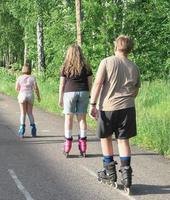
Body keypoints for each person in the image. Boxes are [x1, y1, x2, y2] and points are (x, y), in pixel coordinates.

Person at [89, 35, 140, 193]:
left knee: (106, 139)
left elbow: (98, 83)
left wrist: (92, 103)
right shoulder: (134, 67)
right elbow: (135, 91)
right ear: (129, 48)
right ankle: (127, 176)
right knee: (123, 141)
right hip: (128, 108)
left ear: (116, 46)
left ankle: (110, 173)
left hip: (108, 107)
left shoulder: (106, 62)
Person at [58, 44, 93, 157]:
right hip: (84, 92)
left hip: (69, 92)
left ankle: (67, 144)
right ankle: (83, 145)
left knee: (69, 118)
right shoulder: (86, 66)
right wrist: (90, 95)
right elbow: (90, 82)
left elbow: (62, 84)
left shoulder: (65, 66)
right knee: (82, 119)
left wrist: (60, 98)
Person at [15, 63, 41, 138]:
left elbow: (16, 88)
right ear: (30, 70)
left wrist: (21, 90)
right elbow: (36, 88)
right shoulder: (32, 78)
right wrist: (38, 97)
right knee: (30, 113)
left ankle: (22, 130)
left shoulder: (19, 78)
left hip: (22, 95)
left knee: (23, 113)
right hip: (30, 95)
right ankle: (33, 130)